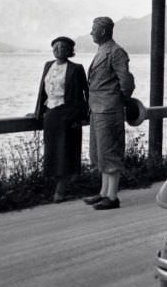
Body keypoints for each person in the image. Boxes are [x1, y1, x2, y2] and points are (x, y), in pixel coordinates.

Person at [83, 16, 135, 210]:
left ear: (104, 31)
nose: (91, 32)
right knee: (99, 152)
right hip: (97, 108)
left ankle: (112, 197)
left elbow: (126, 82)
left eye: (94, 29)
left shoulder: (116, 52)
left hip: (109, 109)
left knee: (110, 152)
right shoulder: (103, 51)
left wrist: (118, 100)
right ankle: (104, 192)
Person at [33, 36, 89, 203]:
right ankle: (57, 185)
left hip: (68, 115)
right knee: (52, 152)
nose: (58, 49)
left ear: (69, 51)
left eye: (62, 47)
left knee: (66, 152)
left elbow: (85, 93)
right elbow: (42, 91)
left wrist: (79, 115)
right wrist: (38, 111)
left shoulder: (76, 68)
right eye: (55, 46)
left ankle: (61, 190)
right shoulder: (48, 66)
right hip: (51, 115)